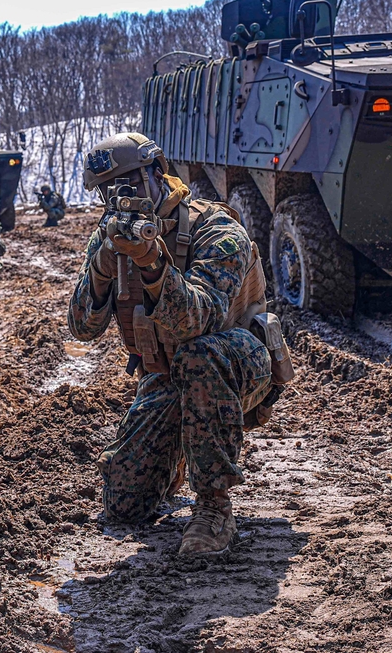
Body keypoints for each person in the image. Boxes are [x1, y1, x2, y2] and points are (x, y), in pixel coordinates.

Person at [67, 132, 292, 555]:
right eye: (107, 192)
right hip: (169, 374)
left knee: (199, 355)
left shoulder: (217, 229)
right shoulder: (110, 237)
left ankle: (214, 507)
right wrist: (101, 267)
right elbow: (81, 328)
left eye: (127, 186)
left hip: (235, 366)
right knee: (125, 506)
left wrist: (152, 263)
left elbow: (198, 320)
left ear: (157, 172)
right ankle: (177, 456)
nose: (118, 199)